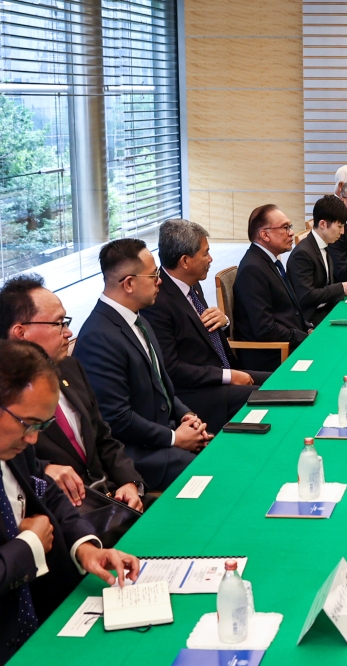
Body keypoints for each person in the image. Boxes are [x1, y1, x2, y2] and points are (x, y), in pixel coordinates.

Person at [0, 340, 140, 663]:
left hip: (45, 612)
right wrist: (29, 545)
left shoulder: (15, 447)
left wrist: (86, 548)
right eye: (27, 424)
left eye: (42, 426)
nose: (33, 439)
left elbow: (46, 489)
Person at [74, 239, 210, 491]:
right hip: (135, 452)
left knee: (222, 452)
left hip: (160, 434)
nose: (160, 281)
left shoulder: (139, 319)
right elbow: (116, 418)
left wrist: (186, 416)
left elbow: (161, 384)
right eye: (154, 275)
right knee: (208, 472)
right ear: (129, 283)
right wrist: (174, 438)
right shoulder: (98, 337)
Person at [0, 277, 144, 511]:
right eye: (59, 323)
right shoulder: (7, 394)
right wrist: (45, 470)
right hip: (65, 509)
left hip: (111, 497)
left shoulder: (71, 367)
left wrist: (130, 481)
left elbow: (103, 437)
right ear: (21, 332)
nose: (68, 332)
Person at [141, 220, 272, 433]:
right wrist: (228, 376)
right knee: (270, 398)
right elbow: (171, 369)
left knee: (281, 382)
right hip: (199, 393)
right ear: (185, 261)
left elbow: (206, 333)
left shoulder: (193, 283)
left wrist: (224, 321)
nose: (211, 259)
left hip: (223, 371)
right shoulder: (157, 302)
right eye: (205, 253)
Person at [232, 205, 311, 372]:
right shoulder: (252, 269)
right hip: (271, 355)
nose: (291, 232)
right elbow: (265, 328)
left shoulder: (269, 260)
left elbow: (286, 310)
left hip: (287, 342)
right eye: (285, 227)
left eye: (290, 226)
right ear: (264, 235)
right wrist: (303, 337)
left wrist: (307, 328)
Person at [287, 195, 347, 327]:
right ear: (323, 224)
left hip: (328, 308)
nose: (342, 232)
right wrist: (342, 288)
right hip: (312, 319)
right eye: (340, 226)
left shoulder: (325, 243)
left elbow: (327, 283)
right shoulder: (302, 254)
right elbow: (306, 296)